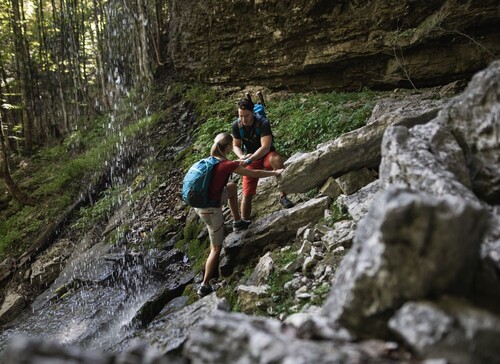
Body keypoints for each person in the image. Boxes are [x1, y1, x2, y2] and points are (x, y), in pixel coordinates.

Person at [195, 132, 284, 297]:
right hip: (210, 210)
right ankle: (204, 285)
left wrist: (241, 160)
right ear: (228, 147)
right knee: (216, 249)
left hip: (200, 205)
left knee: (231, 187)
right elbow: (254, 173)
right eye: (232, 145)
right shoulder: (226, 164)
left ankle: (237, 221)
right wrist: (274, 173)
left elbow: (229, 164)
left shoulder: (212, 159)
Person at [231, 96, 294, 223]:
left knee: (276, 159)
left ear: (253, 112)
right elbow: (236, 145)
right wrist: (241, 156)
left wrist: (249, 160)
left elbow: (265, 147)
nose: (243, 119)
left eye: (246, 116)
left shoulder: (263, 123)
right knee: (247, 194)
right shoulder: (236, 126)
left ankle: (283, 196)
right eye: (241, 116)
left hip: (265, 156)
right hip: (250, 158)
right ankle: (244, 221)